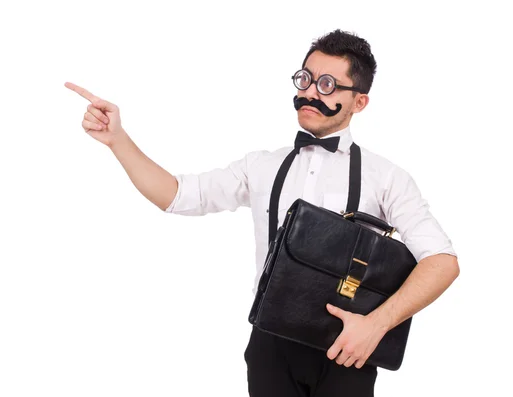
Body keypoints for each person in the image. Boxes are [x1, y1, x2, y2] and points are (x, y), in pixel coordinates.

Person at [65, 29, 459, 397]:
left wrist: (376, 325)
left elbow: (442, 262)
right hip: (269, 346)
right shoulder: (261, 165)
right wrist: (117, 140)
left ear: (359, 101)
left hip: (347, 351)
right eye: (305, 79)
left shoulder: (387, 177)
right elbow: (178, 195)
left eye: (327, 85)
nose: (310, 93)